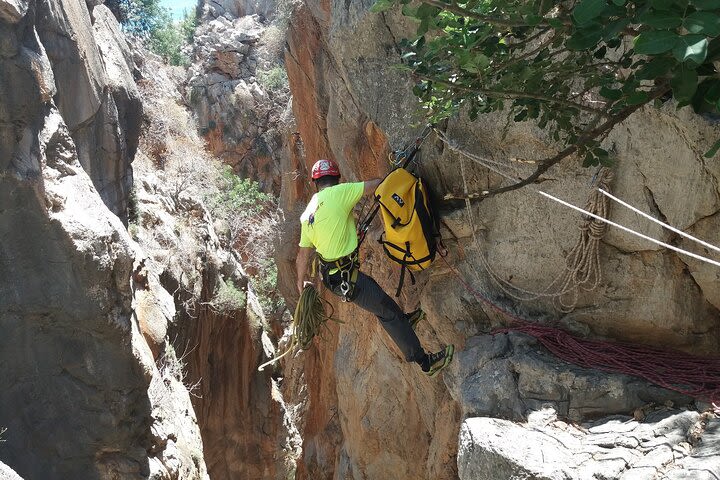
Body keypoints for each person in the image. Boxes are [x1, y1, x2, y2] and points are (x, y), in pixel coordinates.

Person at [295, 159, 454, 376]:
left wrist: (301, 284)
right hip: (346, 279)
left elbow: (302, 256)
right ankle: (425, 363)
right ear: (337, 178)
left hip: (334, 276)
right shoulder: (340, 193)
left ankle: (405, 321)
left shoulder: (308, 212)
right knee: (386, 312)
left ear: (315, 183)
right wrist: (400, 181)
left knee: (379, 299)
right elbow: (377, 185)